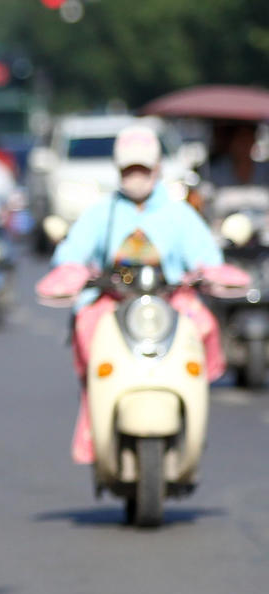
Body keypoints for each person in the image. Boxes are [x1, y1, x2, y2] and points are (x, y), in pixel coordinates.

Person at [43, 124, 226, 463]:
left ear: (156, 169)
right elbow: (72, 253)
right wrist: (73, 273)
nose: (136, 176)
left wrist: (209, 272)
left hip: (168, 301)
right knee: (87, 330)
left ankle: (192, 405)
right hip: (113, 301)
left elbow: (205, 254)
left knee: (204, 326)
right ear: (119, 171)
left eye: (143, 169)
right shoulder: (102, 212)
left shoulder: (177, 212)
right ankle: (94, 421)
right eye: (130, 169)